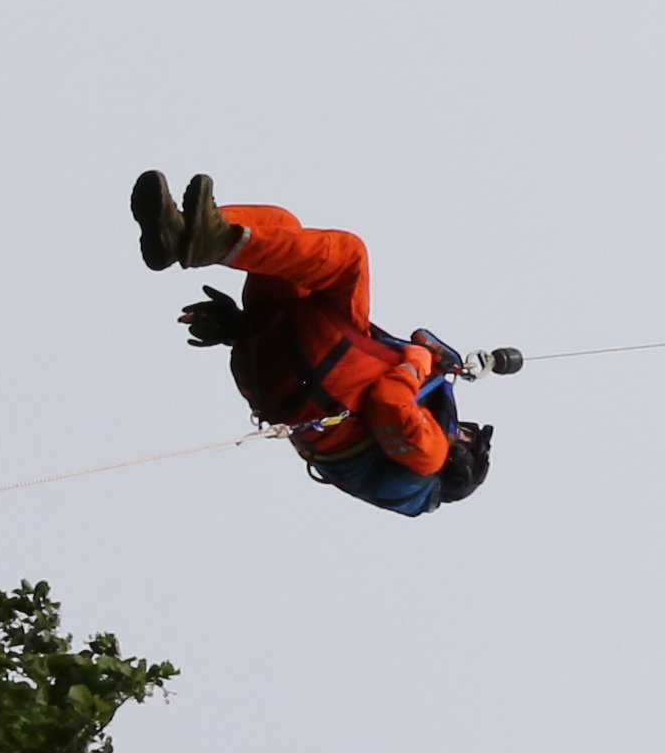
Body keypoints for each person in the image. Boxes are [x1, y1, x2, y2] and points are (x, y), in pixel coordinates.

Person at [131, 171, 498, 514]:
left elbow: (389, 402)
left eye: (467, 434)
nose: (461, 427)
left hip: (319, 358)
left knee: (348, 257)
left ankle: (206, 240)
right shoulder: (375, 464)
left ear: (463, 452)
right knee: (280, 225)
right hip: (276, 364)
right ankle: (180, 234)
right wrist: (238, 328)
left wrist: (417, 362)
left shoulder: (431, 455)